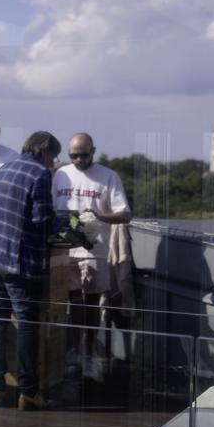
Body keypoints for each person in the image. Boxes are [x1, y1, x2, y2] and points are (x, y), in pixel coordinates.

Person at [0, 131, 61, 410]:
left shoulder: (2, 170)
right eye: (53, 157)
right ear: (44, 152)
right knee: (27, 324)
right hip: (19, 262)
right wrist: (66, 226)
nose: (53, 163)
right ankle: (28, 392)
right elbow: (42, 219)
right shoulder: (39, 174)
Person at [52, 133, 131, 380]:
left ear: (93, 151)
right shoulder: (60, 174)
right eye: (73, 155)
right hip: (65, 248)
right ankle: (76, 351)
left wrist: (98, 216)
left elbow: (125, 214)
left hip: (95, 249)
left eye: (83, 155)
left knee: (92, 302)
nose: (78, 160)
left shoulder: (108, 176)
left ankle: (88, 352)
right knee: (74, 302)